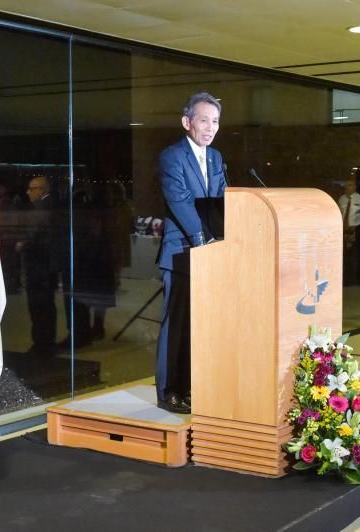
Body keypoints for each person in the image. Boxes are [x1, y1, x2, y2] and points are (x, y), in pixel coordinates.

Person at [156, 91, 227, 414]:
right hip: (182, 252)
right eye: (204, 120)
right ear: (187, 122)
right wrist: (204, 240)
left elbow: (222, 199)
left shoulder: (215, 158)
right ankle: (169, 391)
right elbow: (179, 201)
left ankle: (192, 387)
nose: (210, 127)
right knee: (177, 325)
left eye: (215, 121)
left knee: (201, 326)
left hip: (209, 254)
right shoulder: (172, 156)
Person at [22, 176, 59, 356]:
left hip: (39, 266)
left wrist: (23, 245)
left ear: (42, 190)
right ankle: (46, 341)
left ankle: (41, 343)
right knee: (46, 306)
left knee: (39, 306)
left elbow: (35, 236)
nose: (28, 192)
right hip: (46, 266)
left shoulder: (41, 209)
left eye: (32, 188)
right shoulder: (50, 206)